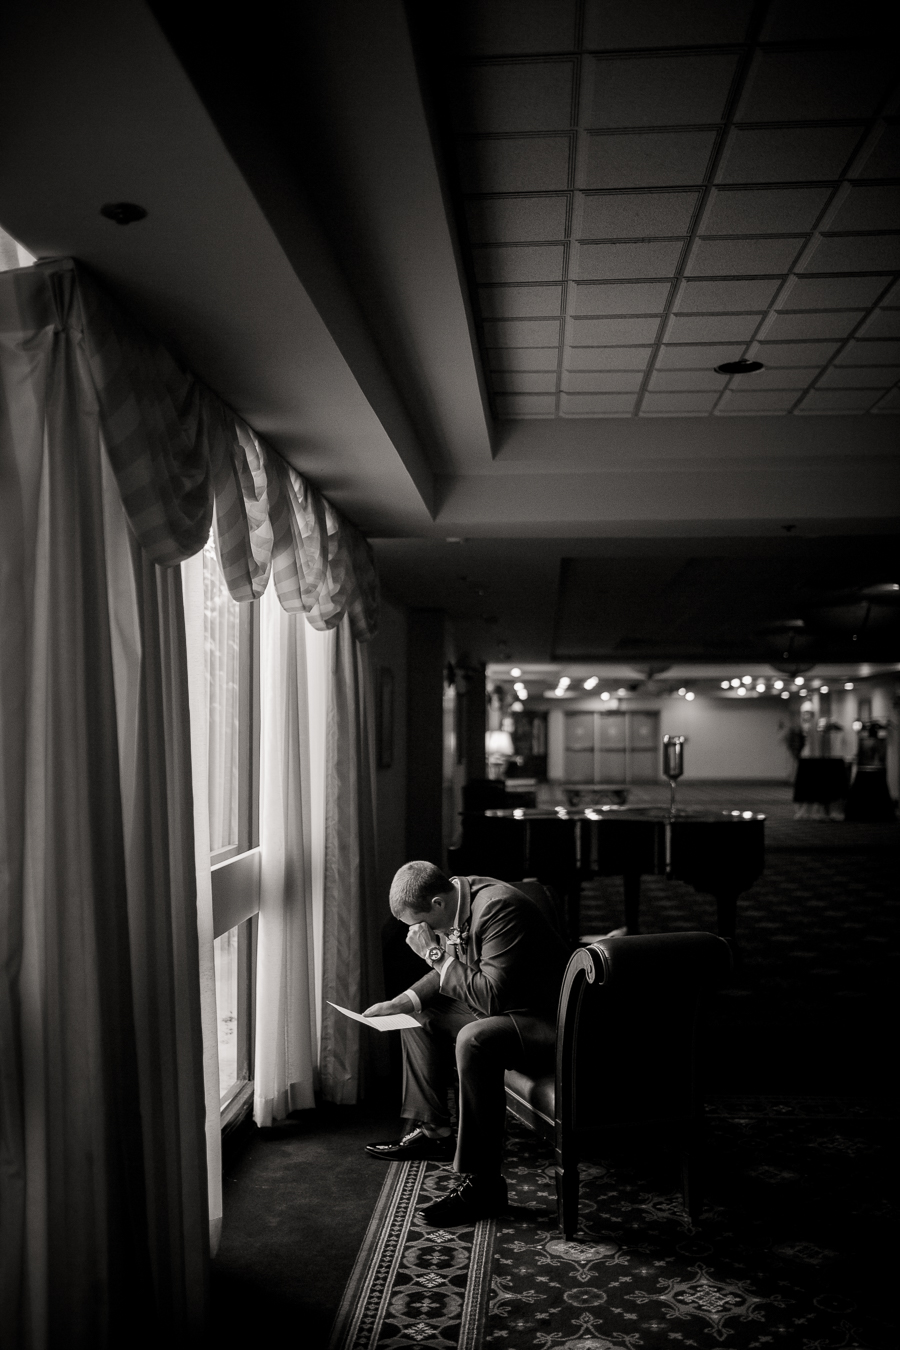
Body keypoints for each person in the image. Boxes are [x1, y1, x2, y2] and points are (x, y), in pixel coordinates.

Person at [363, 860, 571, 1225]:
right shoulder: (455, 898)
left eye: (419, 924)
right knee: (416, 1012)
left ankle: (484, 1184)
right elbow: (454, 971)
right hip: (507, 1007)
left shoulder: (498, 907)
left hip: (546, 1019)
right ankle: (435, 1131)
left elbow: (490, 997)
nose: (418, 933)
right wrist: (402, 1001)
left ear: (438, 904)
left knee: (475, 1039)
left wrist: (434, 953)